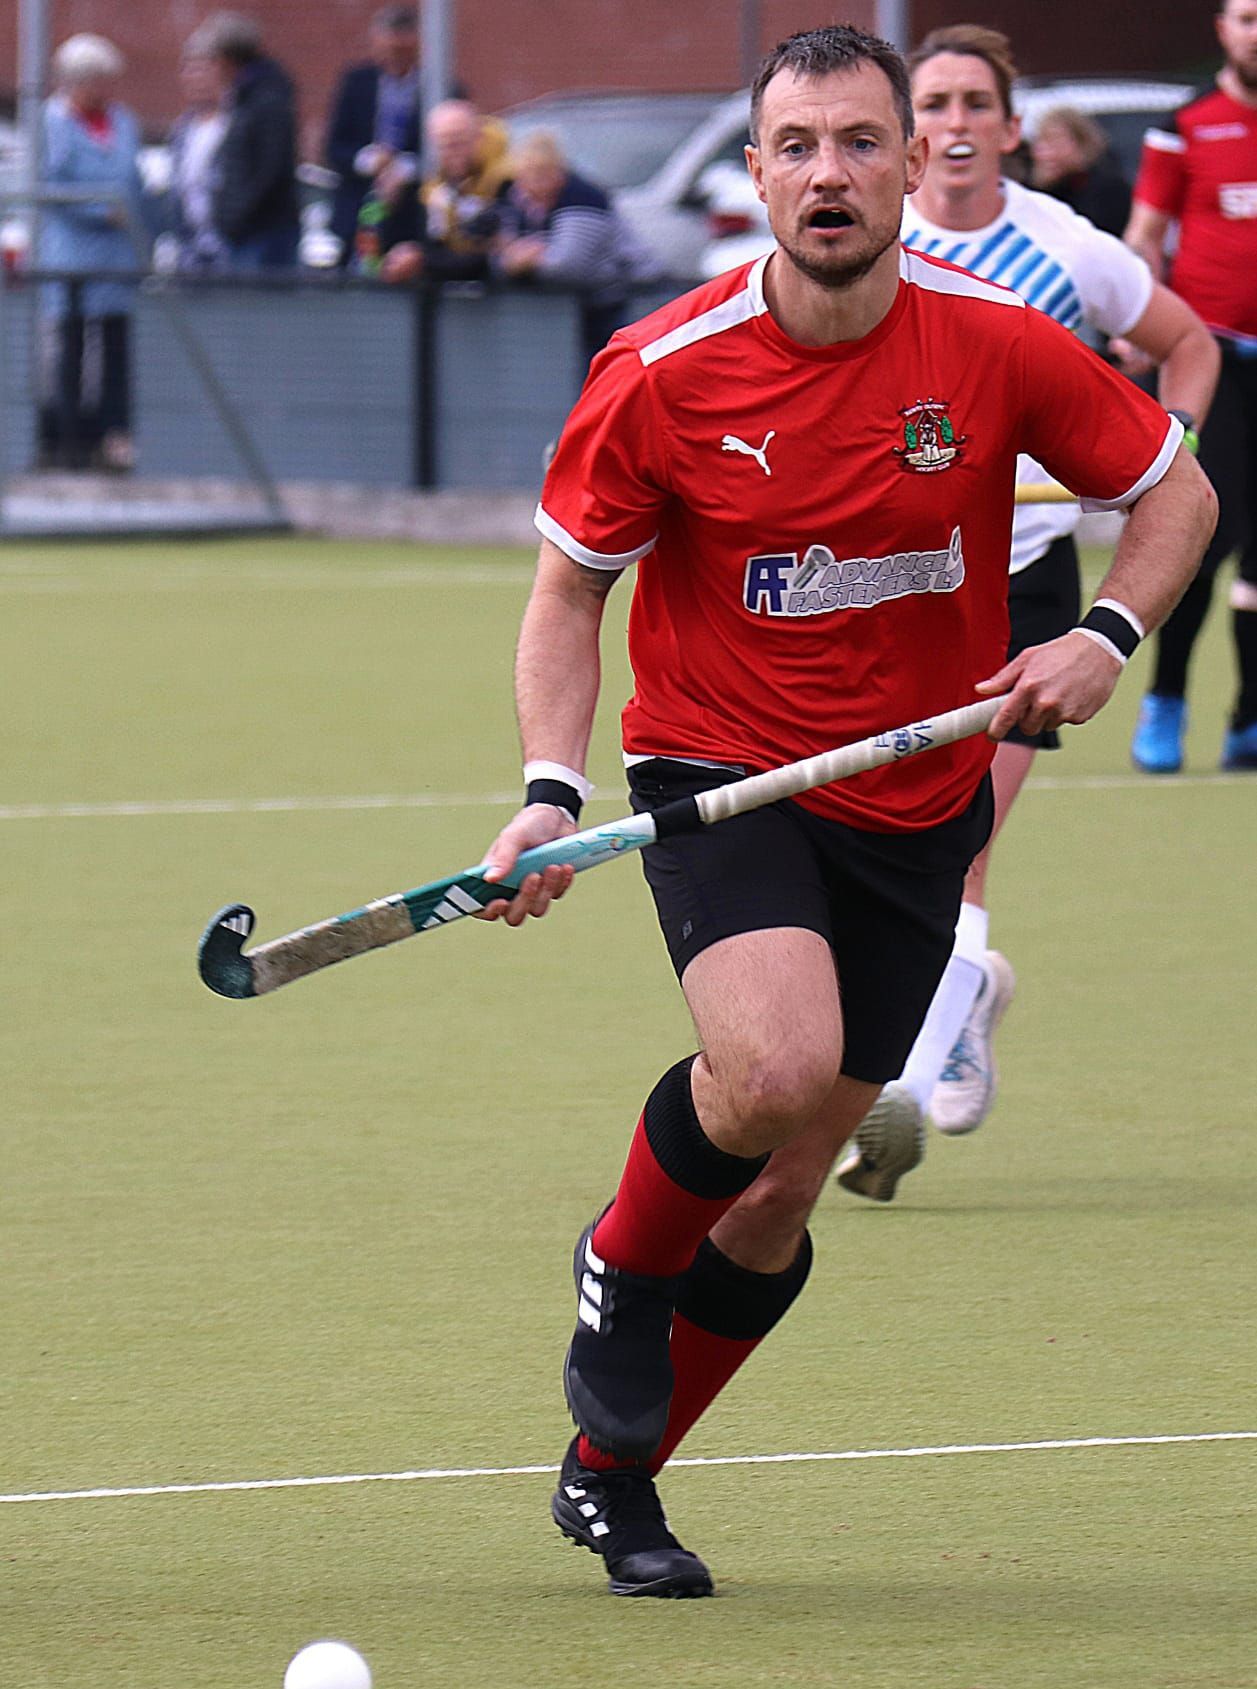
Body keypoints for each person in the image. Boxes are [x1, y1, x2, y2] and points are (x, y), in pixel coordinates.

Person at [472, 25, 1215, 1597]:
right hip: (721, 773)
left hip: (915, 800)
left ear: (913, 164)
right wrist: (546, 789)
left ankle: (613, 1479)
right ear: (754, 176)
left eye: (861, 143)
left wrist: (1104, 635)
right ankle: (620, 1260)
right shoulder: (661, 370)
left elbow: (1176, 490)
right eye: (798, 146)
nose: (830, 174)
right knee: (775, 1067)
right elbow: (568, 590)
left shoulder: (995, 345)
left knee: (785, 1186)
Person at [836, 23, 1219, 1202]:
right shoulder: (867, 248)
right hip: (894, 581)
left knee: (960, 844)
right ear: (908, 137)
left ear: (1012, 128)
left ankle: (900, 1085)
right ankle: (966, 994)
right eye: (935, 105)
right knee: (865, 844)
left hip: (1022, 586)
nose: (955, 125)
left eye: (975, 104)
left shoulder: (1067, 248)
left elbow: (1187, 347)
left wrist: (1165, 455)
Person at [1125, 0, 1257, 772]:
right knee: (1205, 533)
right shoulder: (1185, 125)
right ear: (1222, 30)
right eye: (1246, 18)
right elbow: (1144, 236)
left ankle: (1248, 718)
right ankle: (1165, 699)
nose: (1256, 33)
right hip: (1211, 359)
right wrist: (1134, 317)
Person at [38, 33, 144, 472]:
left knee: (117, 347)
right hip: (72, 257)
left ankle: (113, 436)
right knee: (72, 350)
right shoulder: (51, 122)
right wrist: (100, 209)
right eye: (97, 80)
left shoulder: (123, 120)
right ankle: (68, 443)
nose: (105, 89)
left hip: (118, 256)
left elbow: (134, 179)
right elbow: (50, 185)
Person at [494, 132, 662, 370]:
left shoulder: (583, 198)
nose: (534, 183)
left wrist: (527, 259)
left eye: (543, 174)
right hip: (574, 310)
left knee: (611, 370)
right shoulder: (517, 201)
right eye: (527, 176)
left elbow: (567, 266)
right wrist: (521, 258)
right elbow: (497, 260)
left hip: (618, 301)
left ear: (559, 173)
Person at [192, 12, 299, 271]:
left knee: (257, 297)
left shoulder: (266, 99)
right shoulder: (248, 96)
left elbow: (269, 169)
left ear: (226, 59)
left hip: (262, 233)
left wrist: (236, 217)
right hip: (251, 231)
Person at [324, 6, 423, 268]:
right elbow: (335, 147)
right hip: (360, 208)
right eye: (389, 50)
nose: (395, 59)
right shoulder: (357, 82)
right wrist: (370, 160)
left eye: (402, 52)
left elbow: (442, 155)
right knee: (360, 272)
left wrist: (403, 170)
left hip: (411, 215)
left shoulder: (436, 85)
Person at [377, 100, 512, 286]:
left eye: (459, 141)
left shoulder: (504, 182)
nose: (452, 152)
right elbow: (415, 242)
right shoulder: (432, 188)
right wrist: (391, 204)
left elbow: (488, 256)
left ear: (478, 138)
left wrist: (423, 262)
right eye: (444, 145)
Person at [165, 44, 230, 272]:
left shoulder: (234, 123)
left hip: (228, 243)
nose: (195, 78)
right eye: (189, 70)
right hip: (191, 245)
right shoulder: (182, 129)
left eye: (202, 69)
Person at [1030, 106, 1131, 239]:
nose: (1046, 153)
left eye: (1056, 142)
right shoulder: (1034, 196)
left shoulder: (1109, 191)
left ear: (1082, 144)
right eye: (1041, 142)